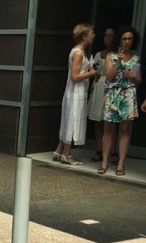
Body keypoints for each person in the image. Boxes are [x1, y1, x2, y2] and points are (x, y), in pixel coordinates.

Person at [52, 23, 98, 165]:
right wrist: (91, 73)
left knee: (68, 120)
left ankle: (59, 151)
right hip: (75, 93)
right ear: (84, 36)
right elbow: (75, 76)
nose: (94, 35)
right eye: (92, 33)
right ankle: (67, 154)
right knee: (72, 120)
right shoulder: (78, 53)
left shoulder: (81, 51)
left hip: (77, 92)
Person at [99, 26, 141, 176]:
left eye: (130, 39)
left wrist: (132, 77)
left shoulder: (136, 58)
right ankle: (104, 161)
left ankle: (121, 164)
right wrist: (118, 61)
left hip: (128, 95)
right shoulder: (111, 56)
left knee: (125, 130)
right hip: (112, 94)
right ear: (120, 40)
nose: (127, 42)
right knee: (108, 129)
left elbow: (138, 81)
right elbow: (109, 76)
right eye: (124, 38)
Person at [87, 28, 116, 163]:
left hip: (111, 87)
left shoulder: (117, 55)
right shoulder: (98, 54)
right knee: (97, 121)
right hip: (98, 86)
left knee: (109, 121)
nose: (108, 38)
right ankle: (99, 149)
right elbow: (95, 72)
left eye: (111, 36)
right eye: (106, 35)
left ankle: (112, 151)